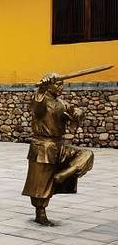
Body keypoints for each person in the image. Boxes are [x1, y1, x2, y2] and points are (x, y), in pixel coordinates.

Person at [22, 73, 94, 226]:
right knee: (41, 183)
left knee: (86, 154)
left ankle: (63, 175)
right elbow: (36, 107)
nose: (62, 87)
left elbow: (75, 115)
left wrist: (78, 114)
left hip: (59, 146)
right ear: (50, 85)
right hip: (43, 146)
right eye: (58, 84)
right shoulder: (41, 101)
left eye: (62, 84)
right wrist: (41, 89)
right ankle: (40, 212)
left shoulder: (61, 103)